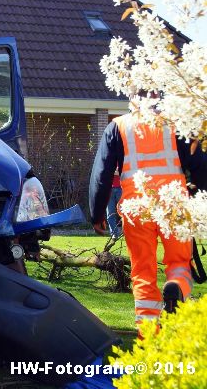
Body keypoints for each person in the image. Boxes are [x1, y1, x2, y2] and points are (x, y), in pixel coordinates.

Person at [89, 111, 206, 328]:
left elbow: (102, 173)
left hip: (136, 209)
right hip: (175, 205)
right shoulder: (177, 121)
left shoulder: (118, 127)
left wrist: (97, 214)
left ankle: (149, 337)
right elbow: (200, 165)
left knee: (143, 271)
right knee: (180, 263)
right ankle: (177, 287)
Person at [105, 171, 122, 238]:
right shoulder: (107, 161)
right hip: (108, 189)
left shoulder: (122, 160)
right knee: (110, 213)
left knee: (124, 212)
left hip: (121, 188)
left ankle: (128, 232)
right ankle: (114, 234)